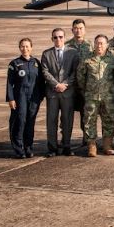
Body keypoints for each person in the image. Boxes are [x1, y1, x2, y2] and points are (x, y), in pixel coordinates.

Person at [76, 35, 114, 157]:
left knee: (109, 120)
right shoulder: (87, 59)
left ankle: (107, 144)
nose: (99, 46)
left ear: (107, 45)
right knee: (89, 120)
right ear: (94, 44)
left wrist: (112, 90)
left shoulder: (112, 59)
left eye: (102, 43)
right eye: (97, 43)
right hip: (91, 96)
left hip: (108, 96)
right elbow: (80, 77)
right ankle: (92, 145)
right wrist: (87, 90)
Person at [41, 28, 79, 157]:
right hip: (52, 93)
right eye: (55, 37)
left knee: (67, 120)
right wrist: (56, 84)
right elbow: (45, 72)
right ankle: (52, 148)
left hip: (67, 92)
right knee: (51, 121)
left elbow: (75, 72)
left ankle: (67, 146)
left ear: (64, 37)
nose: (58, 39)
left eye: (61, 37)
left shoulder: (73, 53)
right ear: (52, 39)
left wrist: (65, 84)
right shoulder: (46, 54)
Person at [6, 38, 43, 158]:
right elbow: (9, 83)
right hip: (20, 97)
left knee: (30, 123)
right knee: (20, 122)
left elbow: (41, 81)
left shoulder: (36, 63)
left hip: (34, 98)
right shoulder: (14, 63)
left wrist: (41, 96)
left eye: (27, 46)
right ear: (19, 48)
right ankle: (18, 149)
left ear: (31, 48)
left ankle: (28, 148)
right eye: (22, 46)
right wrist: (11, 99)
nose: (25, 49)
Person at [66, 18, 92, 146]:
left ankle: (86, 138)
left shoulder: (90, 46)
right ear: (72, 30)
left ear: (85, 30)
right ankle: (66, 139)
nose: (78, 31)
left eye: (81, 28)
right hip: (70, 86)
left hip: (85, 86)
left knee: (85, 113)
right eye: (76, 28)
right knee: (67, 113)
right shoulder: (66, 46)